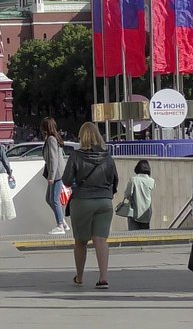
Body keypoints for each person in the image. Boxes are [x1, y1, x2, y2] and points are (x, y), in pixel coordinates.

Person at [62, 122, 118, 289]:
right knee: (101, 240)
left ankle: (79, 277)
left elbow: (65, 180)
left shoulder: (75, 156)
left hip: (82, 201)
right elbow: (115, 180)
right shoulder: (108, 157)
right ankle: (103, 278)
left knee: (80, 241)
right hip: (105, 201)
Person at [41, 117, 68, 234]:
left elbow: (53, 159)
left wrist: (51, 176)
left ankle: (60, 225)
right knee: (49, 199)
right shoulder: (51, 138)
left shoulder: (51, 139)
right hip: (55, 173)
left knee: (54, 200)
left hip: (56, 174)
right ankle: (62, 221)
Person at [122, 159, 155, 231]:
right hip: (146, 212)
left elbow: (127, 194)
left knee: (133, 235)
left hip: (134, 211)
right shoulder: (152, 181)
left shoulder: (133, 180)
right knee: (145, 235)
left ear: (137, 168)